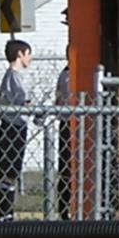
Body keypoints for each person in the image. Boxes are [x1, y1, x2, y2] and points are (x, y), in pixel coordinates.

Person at [0, 39, 33, 222]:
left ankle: (6, 212)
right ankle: (5, 213)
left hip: (16, 126)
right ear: (20, 54)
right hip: (13, 127)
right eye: (28, 54)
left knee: (11, 173)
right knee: (9, 173)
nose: (30, 59)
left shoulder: (15, 76)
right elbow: (24, 102)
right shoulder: (14, 77)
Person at [55, 45, 72, 220]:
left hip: (78, 123)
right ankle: (64, 209)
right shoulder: (66, 75)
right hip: (67, 123)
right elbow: (60, 99)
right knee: (66, 169)